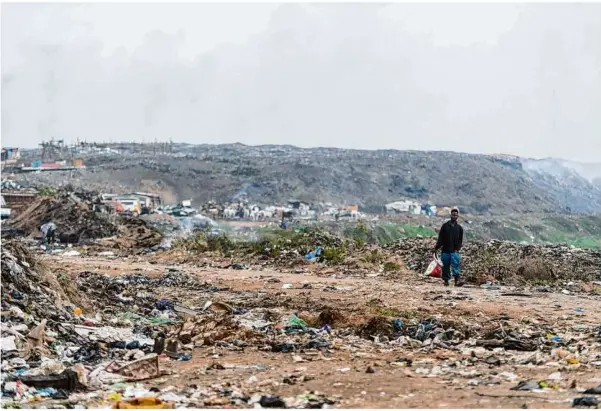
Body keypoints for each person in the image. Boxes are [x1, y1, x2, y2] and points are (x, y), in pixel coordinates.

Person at [434, 208, 464, 287]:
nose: (454, 216)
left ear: (458, 216)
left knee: (455, 266)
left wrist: (458, 247)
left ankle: (456, 281)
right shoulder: (445, 226)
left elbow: (460, 239)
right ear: (450, 215)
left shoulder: (459, 228)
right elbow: (440, 238)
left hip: (454, 251)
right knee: (446, 266)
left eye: (456, 215)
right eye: (453, 215)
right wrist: (436, 247)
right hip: (445, 251)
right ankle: (446, 281)